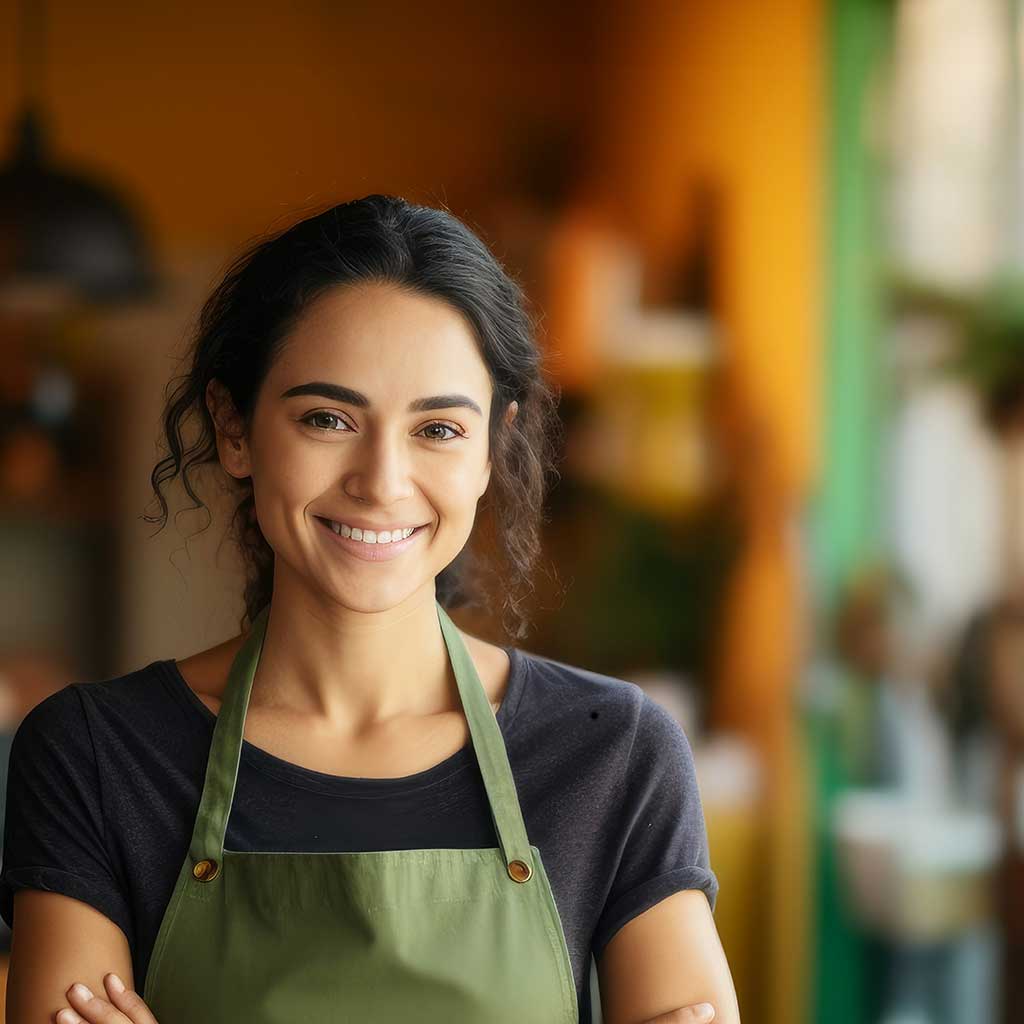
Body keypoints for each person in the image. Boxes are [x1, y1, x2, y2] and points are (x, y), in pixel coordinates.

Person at [0, 194, 739, 1024]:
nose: (382, 481)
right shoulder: (96, 758)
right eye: (328, 418)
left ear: (493, 446)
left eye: (439, 430)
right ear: (234, 428)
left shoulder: (615, 757)